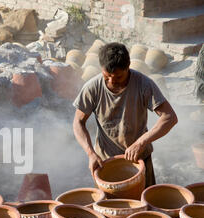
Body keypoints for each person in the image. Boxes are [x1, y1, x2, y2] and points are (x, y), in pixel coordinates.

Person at [72, 42, 178, 188]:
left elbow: (170, 117)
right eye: (107, 76)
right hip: (105, 164)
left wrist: (140, 143)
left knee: (144, 207)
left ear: (128, 68)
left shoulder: (143, 84)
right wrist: (90, 153)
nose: (111, 81)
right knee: (109, 209)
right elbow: (78, 122)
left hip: (139, 160)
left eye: (118, 77)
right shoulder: (92, 88)